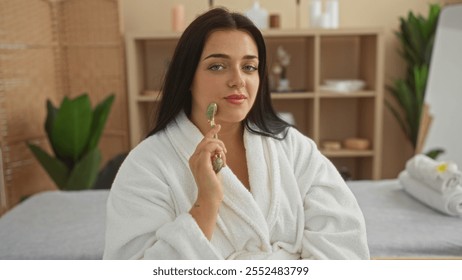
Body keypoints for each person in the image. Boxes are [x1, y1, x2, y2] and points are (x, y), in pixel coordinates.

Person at [103, 7, 370, 260]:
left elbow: (343, 244)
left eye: (249, 67)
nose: (238, 80)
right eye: (217, 66)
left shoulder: (294, 148)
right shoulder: (147, 164)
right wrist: (206, 203)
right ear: (187, 78)